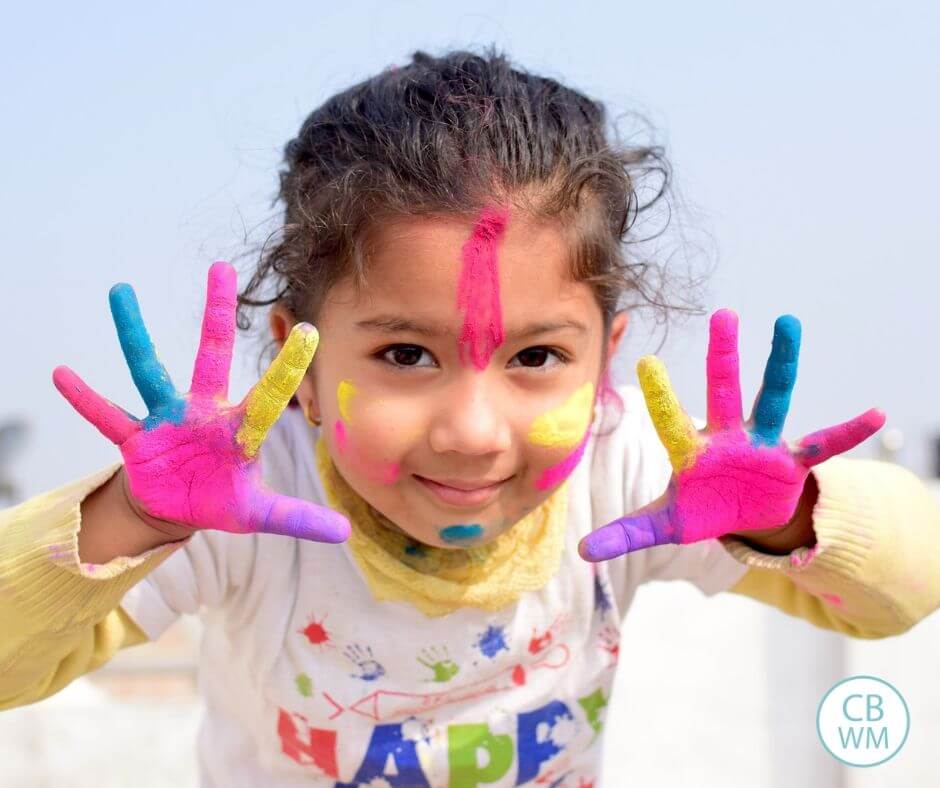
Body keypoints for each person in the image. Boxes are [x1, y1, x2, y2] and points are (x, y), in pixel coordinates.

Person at [2, 48, 938, 787]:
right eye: (406, 355)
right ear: (305, 364)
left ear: (605, 362)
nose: (474, 431)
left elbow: (909, 588)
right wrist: (139, 516)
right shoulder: (240, 503)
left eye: (537, 358)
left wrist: (785, 519)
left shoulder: (630, 479)